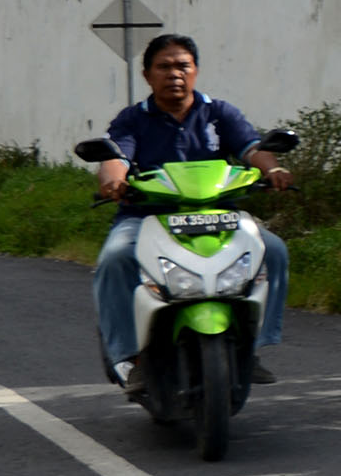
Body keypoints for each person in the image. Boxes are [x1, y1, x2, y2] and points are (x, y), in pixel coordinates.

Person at [93, 33, 292, 389]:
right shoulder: (132, 119)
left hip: (219, 215)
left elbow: (252, 148)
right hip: (146, 217)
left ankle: (254, 347)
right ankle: (130, 358)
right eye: (164, 67)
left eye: (183, 66)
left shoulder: (219, 113)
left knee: (273, 249)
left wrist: (272, 168)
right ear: (147, 75)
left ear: (196, 70)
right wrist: (113, 180)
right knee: (115, 258)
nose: (175, 74)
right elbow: (115, 157)